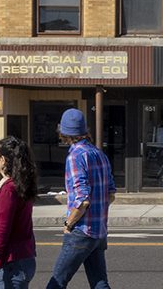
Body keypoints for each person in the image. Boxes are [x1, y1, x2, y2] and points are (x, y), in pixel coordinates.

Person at [45, 108, 116, 289]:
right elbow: (111, 194)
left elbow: (82, 199)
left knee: (56, 282)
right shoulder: (99, 154)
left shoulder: (75, 156)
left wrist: (69, 224)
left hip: (82, 230)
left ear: (64, 133)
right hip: (99, 230)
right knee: (100, 283)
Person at [0, 136, 38, 289]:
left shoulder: (8, 189)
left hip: (11, 264)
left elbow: (2, 231)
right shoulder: (20, 183)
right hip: (24, 258)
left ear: (4, 160)